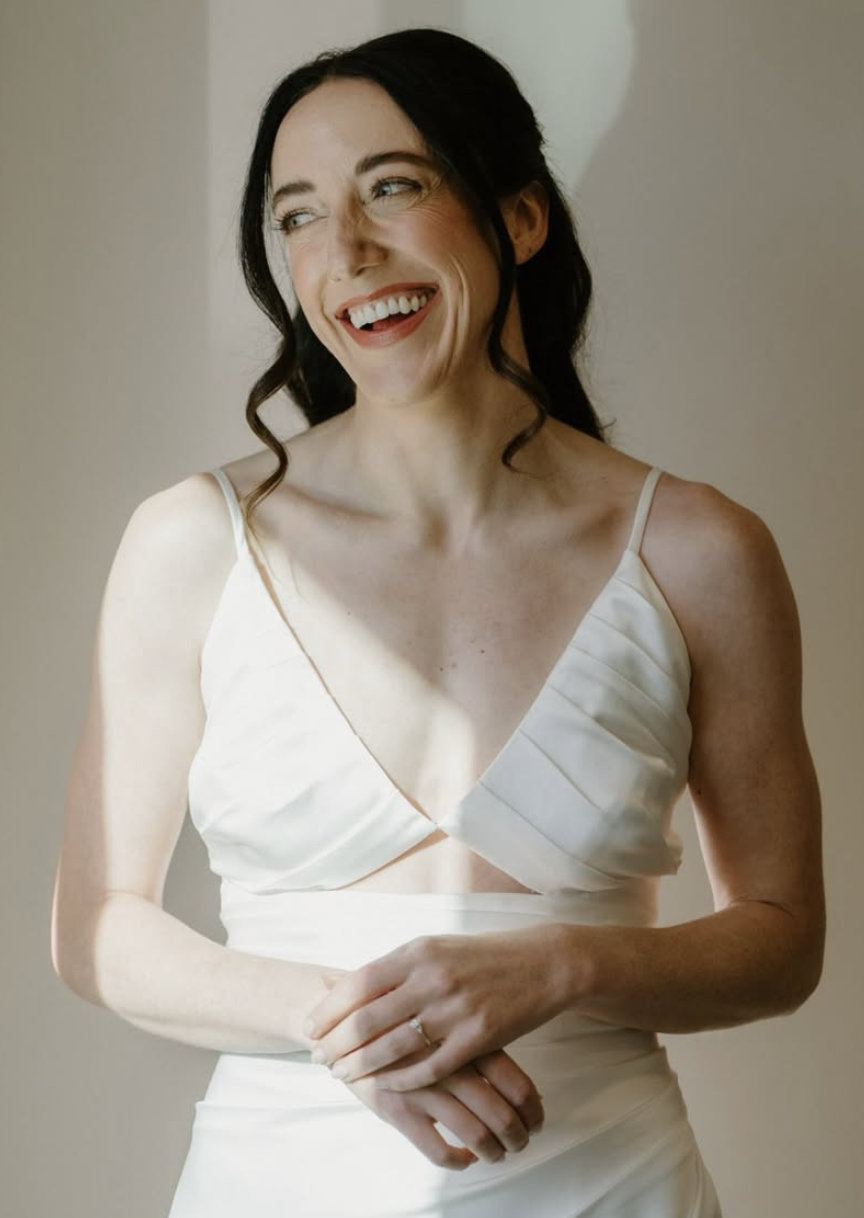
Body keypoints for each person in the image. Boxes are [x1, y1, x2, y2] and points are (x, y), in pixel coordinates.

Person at [51, 27, 824, 1218]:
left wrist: (566, 961)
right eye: (297, 216)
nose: (347, 253)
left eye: (392, 189)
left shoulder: (701, 552)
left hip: (610, 1187)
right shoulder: (192, 542)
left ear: (519, 220)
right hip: (272, 1185)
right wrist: (355, 1030)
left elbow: (780, 939)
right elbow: (97, 929)